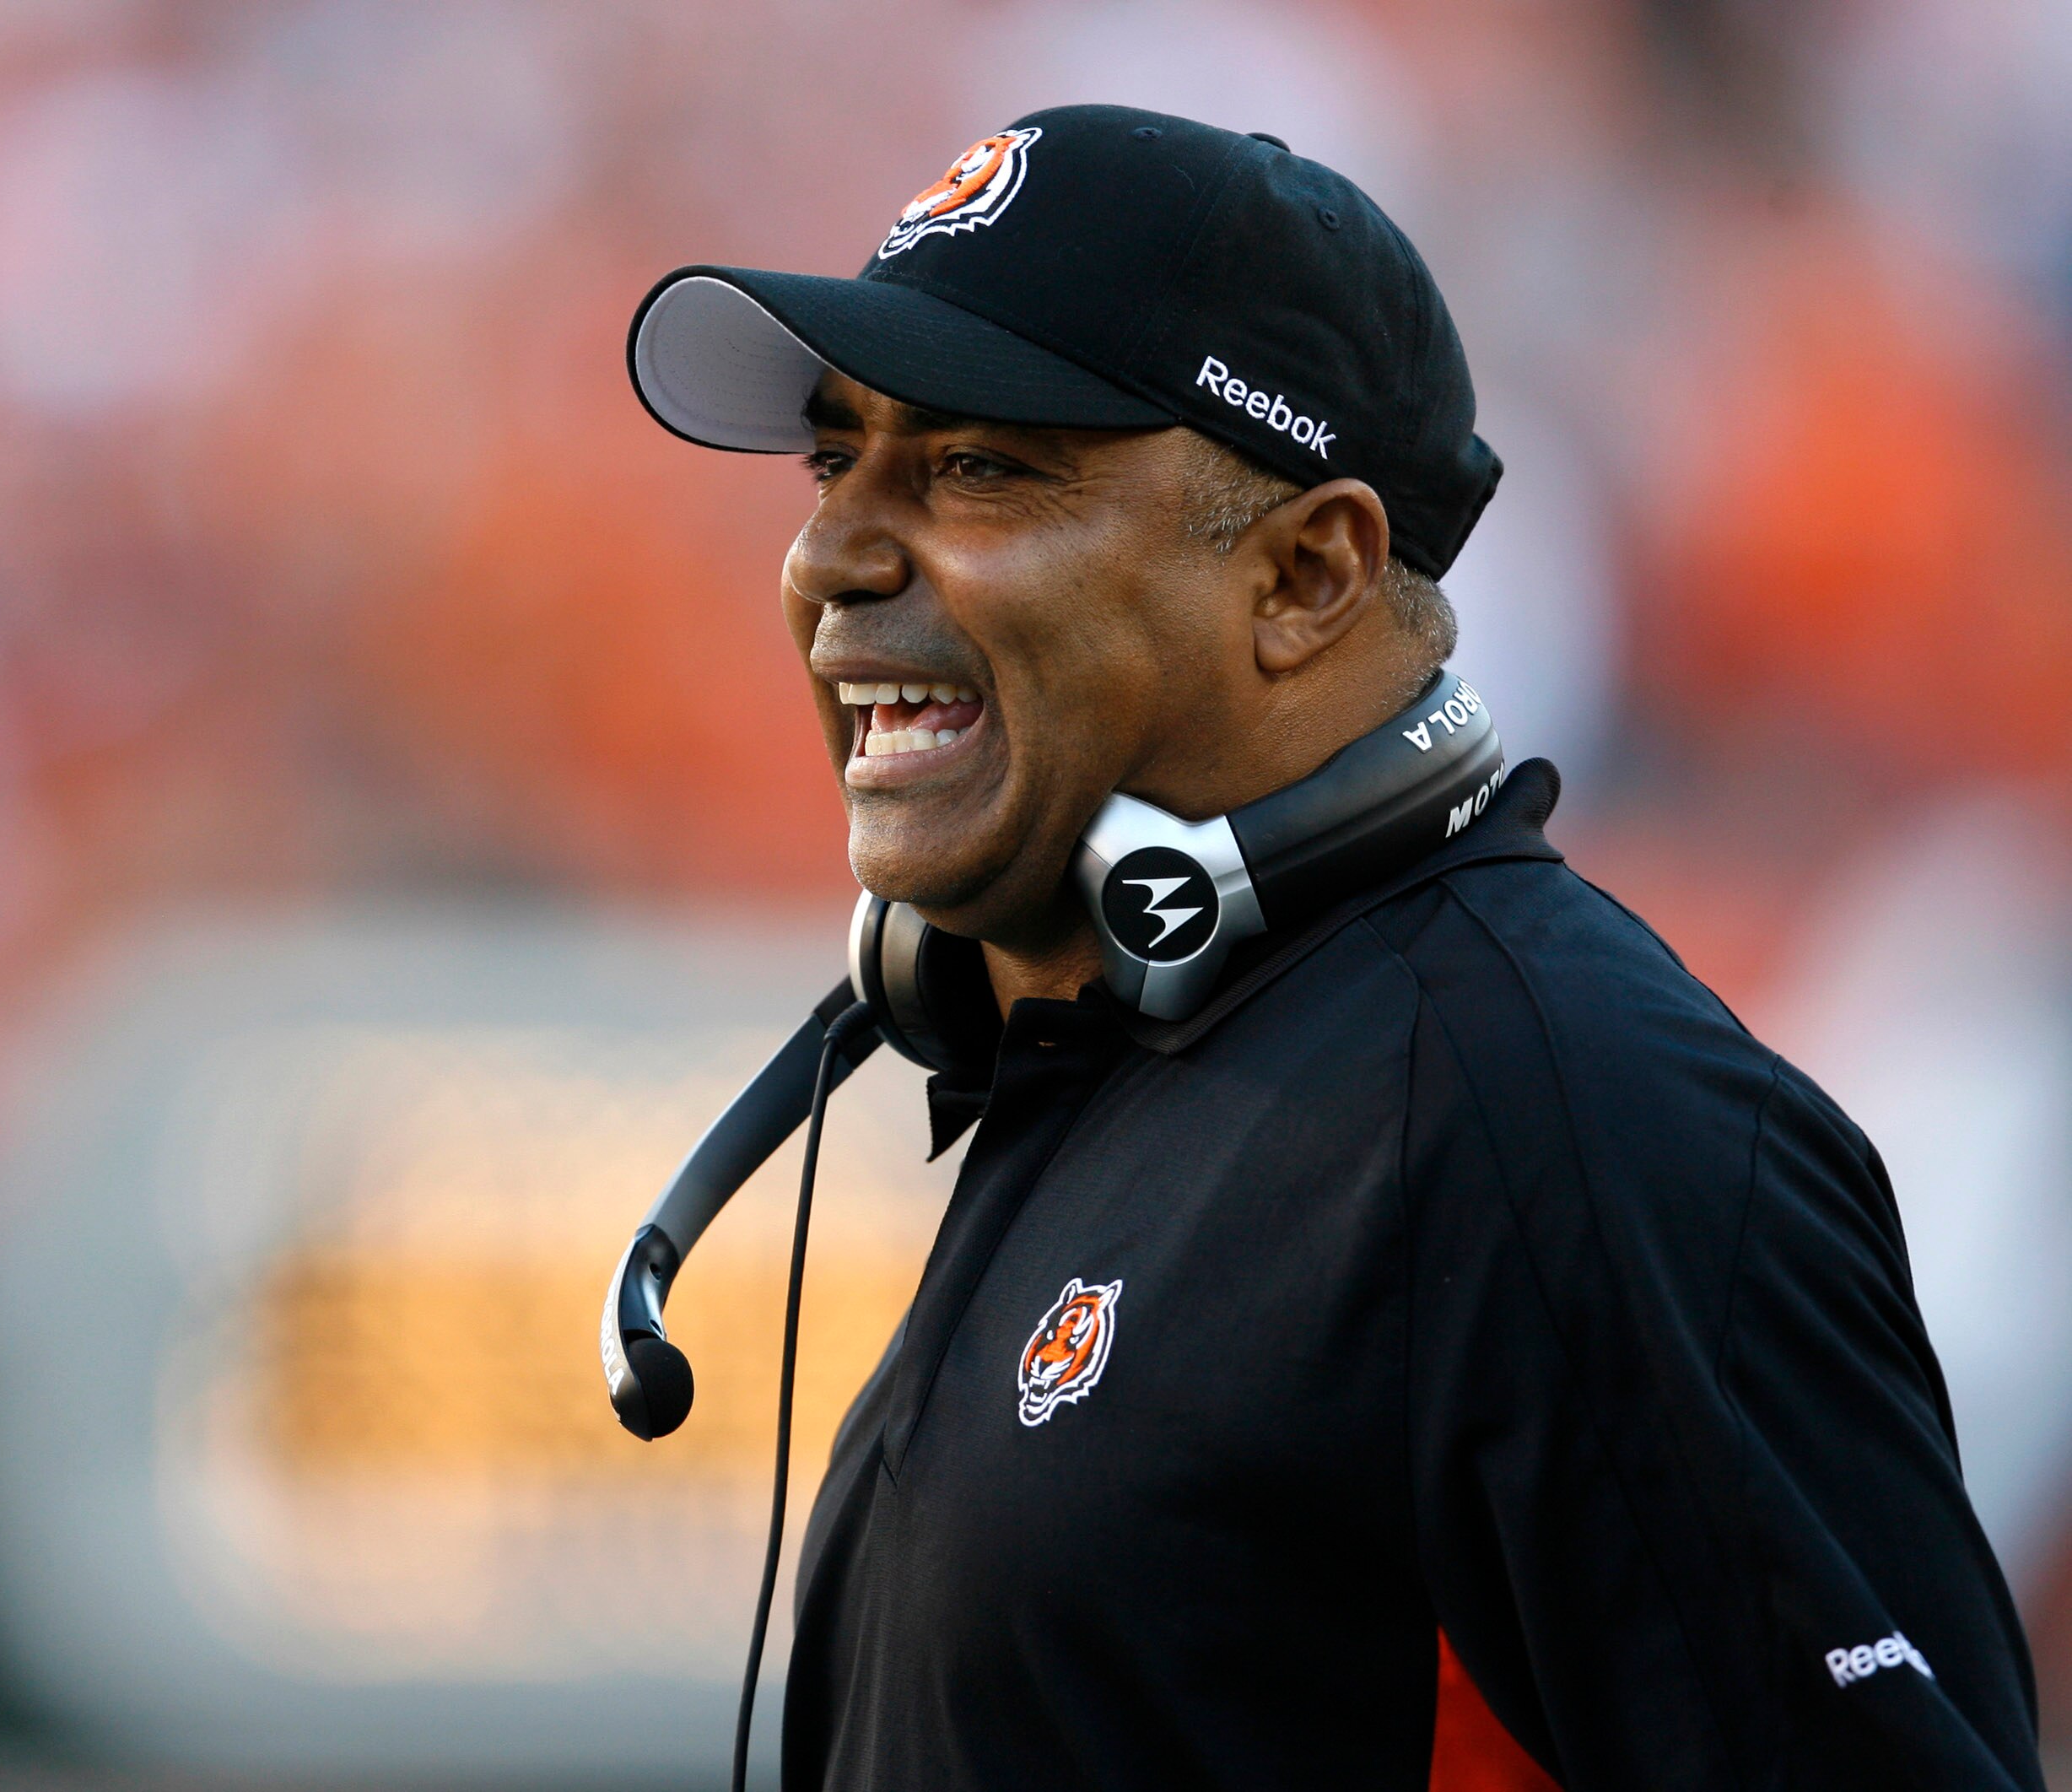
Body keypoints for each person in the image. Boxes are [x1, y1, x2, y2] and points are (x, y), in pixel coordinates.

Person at [622, 105, 2044, 1790]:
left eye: (977, 465)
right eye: (832, 461)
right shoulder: (1127, 1076)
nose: (829, 554)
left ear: (1308, 576)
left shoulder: (1566, 1119)